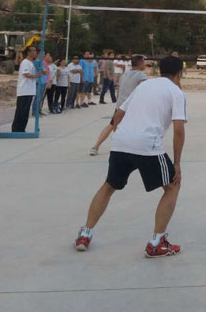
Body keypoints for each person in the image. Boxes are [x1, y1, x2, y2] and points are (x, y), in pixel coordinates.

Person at [74, 56, 187, 257]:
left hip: (121, 141)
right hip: (147, 144)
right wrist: (177, 163)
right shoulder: (175, 91)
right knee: (172, 186)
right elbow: (179, 129)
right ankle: (157, 243)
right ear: (179, 73)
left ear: (160, 70)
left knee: (109, 186)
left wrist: (123, 135)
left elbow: (118, 114)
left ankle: (85, 233)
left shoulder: (143, 86)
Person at [90, 55, 148, 156]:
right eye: (143, 62)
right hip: (132, 107)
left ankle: (95, 147)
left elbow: (119, 91)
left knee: (111, 126)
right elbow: (142, 91)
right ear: (140, 63)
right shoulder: (141, 75)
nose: (145, 64)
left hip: (120, 106)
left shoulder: (124, 75)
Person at [13, 46, 41, 132]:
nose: (35, 52)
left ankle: (22, 129)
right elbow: (26, 74)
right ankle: (16, 129)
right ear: (28, 52)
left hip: (29, 90)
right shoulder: (25, 62)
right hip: (24, 90)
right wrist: (37, 75)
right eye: (33, 51)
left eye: (35, 51)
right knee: (21, 111)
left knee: (25, 112)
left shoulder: (31, 63)